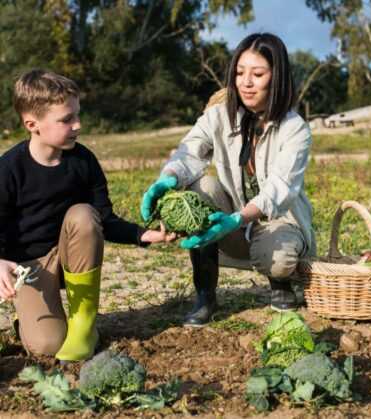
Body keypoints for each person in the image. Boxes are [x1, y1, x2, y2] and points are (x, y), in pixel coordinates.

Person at [141, 33, 315, 326]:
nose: (246, 82)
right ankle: (205, 294)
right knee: (203, 186)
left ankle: (280, 282)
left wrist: (237, 219)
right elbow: (189, 151)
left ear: (277, 78)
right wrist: (168, 178)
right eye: (239, 73)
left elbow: (279, 189)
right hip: (232, 224)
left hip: (278, 223)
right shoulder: (218, 116)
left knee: (279, 260)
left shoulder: (294, 128)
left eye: (257, 74)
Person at [0, 69, 174, 361]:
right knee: (48, 346)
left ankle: (84, 323)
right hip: (29, 267)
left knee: (83, 214)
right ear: (32, 124)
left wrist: (144, 235)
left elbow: (104, 219)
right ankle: (29, 321)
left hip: (73, 253)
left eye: (77, 115)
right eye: (66, 119)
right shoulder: (8, 169)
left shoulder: (83, 161)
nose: (78, 125)